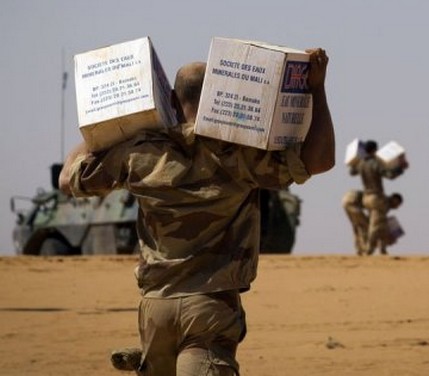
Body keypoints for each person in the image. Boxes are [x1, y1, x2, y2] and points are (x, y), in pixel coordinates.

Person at [59, 48, 334, 376]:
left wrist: (106, 125)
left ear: (172, 101)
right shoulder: (238, 153)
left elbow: (67, 179)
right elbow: (320, 160)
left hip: (155, 307)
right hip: (209, 306)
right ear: (219, 97)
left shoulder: (139, 153)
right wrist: (317, 88)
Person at [349, 140, 407, 255]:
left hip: (366, 198)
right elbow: (389, 175)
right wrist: (400, 168)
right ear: (375, 150)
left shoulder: (361, 164)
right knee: (375, 225)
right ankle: (369, 249)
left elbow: (352, 172)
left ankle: (383, 248)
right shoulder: (375, 163)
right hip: (376, 197)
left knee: (381, 223)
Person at [342, 189, 403, 255]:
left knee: (358, 226)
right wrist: (387, 238)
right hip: (353, 202)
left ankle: (359, 250)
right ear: (395, 200)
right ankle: (365, 249)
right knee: (366, 227)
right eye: (398, 204)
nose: (397, 207)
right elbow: (377, 224)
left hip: (347, 199)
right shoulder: (385, 203)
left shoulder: (383, 199)